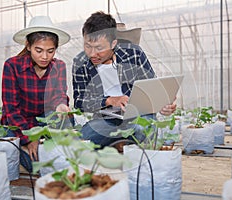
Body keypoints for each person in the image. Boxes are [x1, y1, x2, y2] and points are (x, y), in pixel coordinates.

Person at [72, 11, 176, 148]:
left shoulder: (134, 54)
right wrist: (109, 100)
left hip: (137, 115)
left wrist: (163, 104)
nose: (92, 53)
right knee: (83, 138)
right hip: (105, 120)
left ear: (113, 43)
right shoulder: (80, 63)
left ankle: (119, 142)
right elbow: (80, 102)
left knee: (141, 129)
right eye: (87, 46)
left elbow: (152, 89)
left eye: (99, 48)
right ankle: (122, 142)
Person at [0, 16, 73, 172]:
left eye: (50, 51)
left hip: (43, 122)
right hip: (18, 123)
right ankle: (28, 154)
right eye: (38, 50)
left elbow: (59, 95)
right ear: (28, 46)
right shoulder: (12, 66)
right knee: (34, 163)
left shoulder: (58, 66)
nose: (45, 57)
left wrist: (61, 105)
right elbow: (11, 109)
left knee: (68, 133)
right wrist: (29, 138)